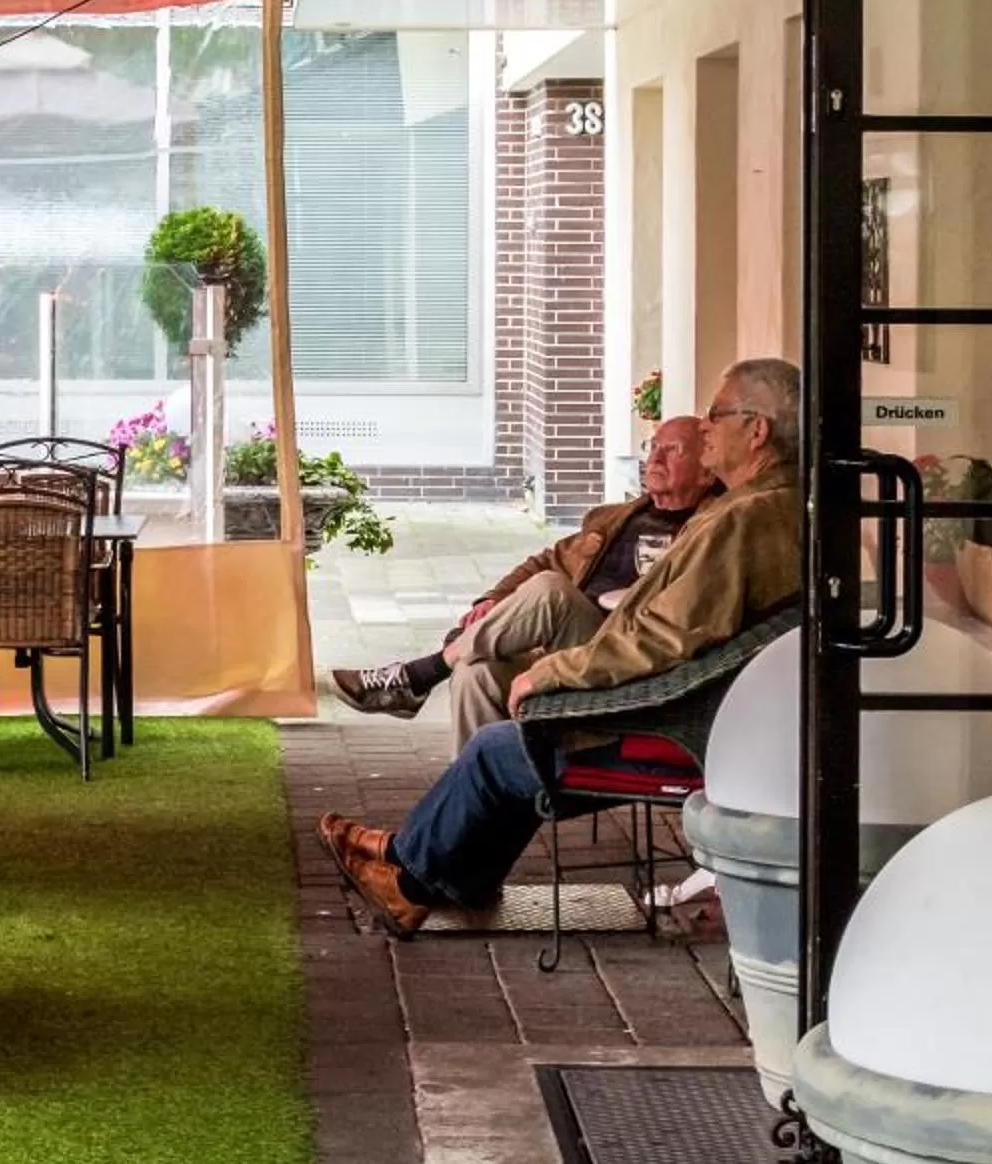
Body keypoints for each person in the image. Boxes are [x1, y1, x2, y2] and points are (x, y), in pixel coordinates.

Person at [319, 360, 806, 935]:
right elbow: (565, 572)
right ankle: (430, 865)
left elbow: (663, 638)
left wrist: (557, 672)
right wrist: (500, 611)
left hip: (662, 719)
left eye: (716, 415)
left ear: (757, 431)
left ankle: (407, 876)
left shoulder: (743, 519)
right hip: (678, 700)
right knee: (482, 678)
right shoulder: (767, 507)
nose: (704, 429)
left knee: (500, 750)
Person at [334, 415, 714, 742]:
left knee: (553, 591)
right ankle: (479, 812)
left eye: (673, 451)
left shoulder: (710, 529)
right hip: (565, 650)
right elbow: (546, 560)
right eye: (653, 447)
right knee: (475, 673)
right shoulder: (616, 517)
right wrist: (495, 601)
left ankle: (425, 672)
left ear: (707, 468)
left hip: (622, 658)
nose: (655, 459)